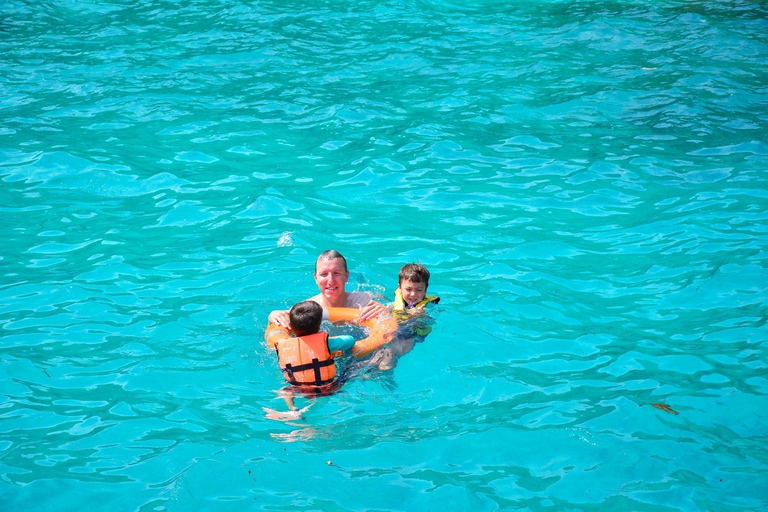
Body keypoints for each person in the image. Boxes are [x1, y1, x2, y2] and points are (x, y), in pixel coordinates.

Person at [268, 300, 356, 411]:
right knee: (353, 369)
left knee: (286, 390)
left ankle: (292, 408)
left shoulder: (282, 345)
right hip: (328, 387)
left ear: (290, 326)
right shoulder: (327, 343)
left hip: (298, 387)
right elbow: (350, 340)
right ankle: (309, 408)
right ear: (319, 326)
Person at [268, 250, 387, 327]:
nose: (330, 281)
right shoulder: (307, 309)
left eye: (336, 273)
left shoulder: (365, 300)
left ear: (346, 276)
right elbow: (283, 322)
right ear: (316, 278)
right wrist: (272, 316)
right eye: (324, 274)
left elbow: (399, 314)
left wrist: (387, 310)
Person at [369, 263, 440, 371]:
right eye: (408, 289)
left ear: (425, 290)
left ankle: (383, 371)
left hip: (413, 334)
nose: (413, 294)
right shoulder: (398, 303)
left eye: (419, 290)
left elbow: (430, 321)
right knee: (378, 351)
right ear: (400, 288)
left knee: (392, 353)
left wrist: (420, 316)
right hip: (395, 329)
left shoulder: (427, 306)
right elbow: (392, 310)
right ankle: (369, 367)